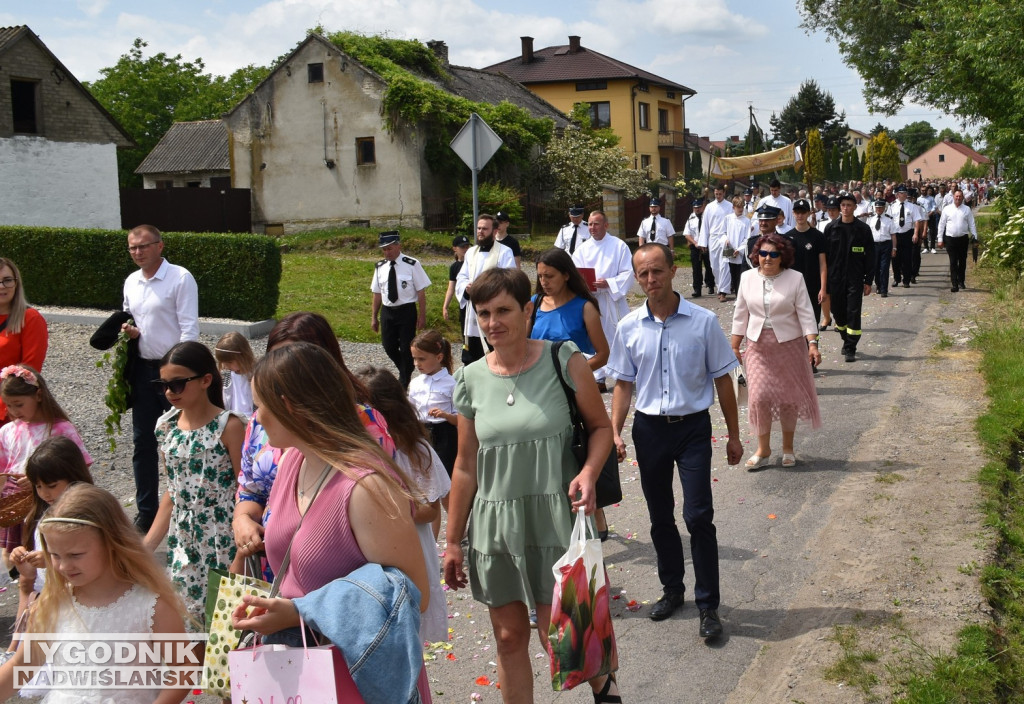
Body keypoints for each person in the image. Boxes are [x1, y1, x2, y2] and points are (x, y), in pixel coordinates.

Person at [443, 267, 618, 704]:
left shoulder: (564, 359)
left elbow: (599, 428)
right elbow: (465, 465)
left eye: (502, 310)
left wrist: (589, 473)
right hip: (495, 521)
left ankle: (605, 687)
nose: (491, 323)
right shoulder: (469, 378)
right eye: (483, 313)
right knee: (507, 637)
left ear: (527, 309)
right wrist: (451, 541)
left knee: (558, 634)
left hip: (553, 517)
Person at [229, 342, 433, 703]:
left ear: (289, 406)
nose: (256, 418)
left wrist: (299, 613)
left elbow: (414, 596)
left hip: (357, 678)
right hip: (304, 672)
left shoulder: (366, 487)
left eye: (261, 405)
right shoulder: (293, 461)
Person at [607, 243, 742, 637]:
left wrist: (734, 436)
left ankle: (708, 605)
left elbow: (722, 379)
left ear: (674, 270)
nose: (651, 280)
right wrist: (615, 430)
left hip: (692, 429)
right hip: (649, 431)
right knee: (660, 516)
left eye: (658, 272)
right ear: (637, 278)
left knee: (698, 516)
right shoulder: (628, 327)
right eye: (644, 274)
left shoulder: (702, 322)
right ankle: (672, 590)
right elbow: (623, 384)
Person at [232, 312, 395, 579]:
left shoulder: (363, 422)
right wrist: (242, 520)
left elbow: (380, 512)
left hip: (329, 576)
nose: (283, 378)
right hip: (269, 570)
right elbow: (249, 488)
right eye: (275, 362)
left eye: (295, 365)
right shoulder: (260, 420)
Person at [0, 483, 192, 704]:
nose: (63, 566)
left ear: (112, 543)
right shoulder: (52, 603)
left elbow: (183, 669)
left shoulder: (150, 606)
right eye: (55, 555)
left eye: (75, 554)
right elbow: (22, 665)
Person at [143, 341, 244, 622]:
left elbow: (245, 490)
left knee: (226, 626)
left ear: (205, 380)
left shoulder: (231, 426)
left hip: (223, 537)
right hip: (183, 540)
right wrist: (146, 547)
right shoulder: (165, 427)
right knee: (187, 625)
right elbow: (173, 493)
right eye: (162, 384)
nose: (168, 392)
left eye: (177, 384)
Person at [356, 365, 450, 645]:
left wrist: (385, 507)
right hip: (366, 549)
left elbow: (430, 509)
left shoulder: (415, 451)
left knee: (406, 629)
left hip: (408, 547)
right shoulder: (355, 452)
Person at [121, 224, 199, 533]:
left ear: (159, 246)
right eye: (132, 248)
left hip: (174, 373)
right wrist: (130, 332)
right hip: (143, 369)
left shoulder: (180, 278)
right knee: (143, 442)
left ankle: (187, 503)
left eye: (143, 246)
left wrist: (180, 371)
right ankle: (147, 511)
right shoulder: (131, 282)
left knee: (182, 438)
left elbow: (189, 328)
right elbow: (128, 318)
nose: (138, 252)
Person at [530, 247, 612, 538]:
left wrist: (572, 373)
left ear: (566, 275)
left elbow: (603, 354)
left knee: (578, 449)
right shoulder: (534, 304)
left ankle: (596, 511)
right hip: (538, 391)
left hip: (573, 390)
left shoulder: (584, 307)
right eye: (540, 276)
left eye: (549, 276)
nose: (543, 281)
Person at [731, 234, 822, 469]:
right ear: (756, 256)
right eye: (763, 254)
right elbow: (740, 313)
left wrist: (812, 343)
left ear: (783, 257)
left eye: (773, 254)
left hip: (789, 347)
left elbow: (805, 313)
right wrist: (734, 345)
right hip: (758, 347)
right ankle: (763, 449)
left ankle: (788, 448)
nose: (767, 258)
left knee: (787, 399)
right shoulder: (747, 278)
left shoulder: (795, 279)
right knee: (759, 397)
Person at [4, 436, 94, 662]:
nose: (44, 493)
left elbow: (102, 565)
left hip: (84, 614)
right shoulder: (40, 517)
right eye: (38, 486)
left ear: (74, 476)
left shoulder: (90, 515)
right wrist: (26, 568)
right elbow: (30, 590)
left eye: (51, 486)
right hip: (47, 610)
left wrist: (55, 561)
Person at [0, 365, 92, 570]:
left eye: (19, 404)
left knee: (48, 552)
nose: (14, 411)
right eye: (8, 406)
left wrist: (36, 482)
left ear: (39, 395)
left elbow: (79, 467)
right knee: (16, 557)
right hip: (16, 504)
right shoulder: (7, 431)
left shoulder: (60, 429)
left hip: (52, 501)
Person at [572, 210, 634, 390]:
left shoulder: (619, 246)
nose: (592, 228)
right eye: (590, 224)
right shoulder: (582, 249)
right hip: (592, 299)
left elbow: (628, 272)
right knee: (593, 336)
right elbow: (576, 273)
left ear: (606, 225)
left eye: (596, 224)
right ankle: (598, 377)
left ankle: (622, 373)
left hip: (611, 299)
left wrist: (609, 283)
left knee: (617, 336)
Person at [370, 230, 431, 388]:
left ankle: (404, 380)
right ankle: (406, 369)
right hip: (387, 311)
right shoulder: (380, 267)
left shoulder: (412, 264)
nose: (386, 252)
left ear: (398, 246)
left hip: (406, 310)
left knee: (406, 347)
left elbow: (421, 292)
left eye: (389, 249)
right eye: (384, 249)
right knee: (388, 345)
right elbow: (377, 293)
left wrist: (422, 316)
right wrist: (374, 317)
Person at [456, 214, 517, 365]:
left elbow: (509, 279)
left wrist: (486, 289)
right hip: (472, 310)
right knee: (471, 354)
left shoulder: (504, 252)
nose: (480, 232)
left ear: (495, 231)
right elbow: (462, 276)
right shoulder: (471, 252)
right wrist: (466, 287)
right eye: (478, 228)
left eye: (485, 229)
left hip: (492, 309)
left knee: (492, 351)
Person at [826, 193, 875, 363]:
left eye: (849, 205)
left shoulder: (863, 229)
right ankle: (845, 339)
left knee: (853, 312)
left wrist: (868, 280)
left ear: (855, 207)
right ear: (840, 208)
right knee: (838, 313)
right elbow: (824, 258)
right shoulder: (831, 228)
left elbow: (870, 256)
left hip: (855, 278)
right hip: (835, 279)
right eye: (843, 205)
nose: (846, 208)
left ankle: (850, 347)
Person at [0, 258, 47, 426]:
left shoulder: (30, 318)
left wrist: (9, 406)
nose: (1, 286)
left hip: (9, 410)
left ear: (16, 283)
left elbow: (29, 373)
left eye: (7, 280)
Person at [408, 330, 458, 477]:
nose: (417, 364)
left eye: (422, 359)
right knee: (422, 473)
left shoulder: (451, 383)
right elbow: (410, 410)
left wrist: (446, 415)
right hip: (420, 433)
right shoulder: (415, 383)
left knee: (444, 473)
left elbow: (461, 418)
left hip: (444, 435)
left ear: (439, 357)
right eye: (414, 359)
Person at [781, 198, 829, 333]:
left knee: (812, 325)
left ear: (808, 213)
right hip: (792, 289)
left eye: (803, 212)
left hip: (812, 288)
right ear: (793, 213)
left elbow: (823, 264)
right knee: (794, 327)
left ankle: (812, 352)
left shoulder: (818, 237)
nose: (800, 215)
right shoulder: (787, 238)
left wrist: (823, 288)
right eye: (797, 212)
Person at [937, 189, 978, 292]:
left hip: (963, 239)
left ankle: (961, 281)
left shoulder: (966, 209)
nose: (958, 198)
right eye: (956, 196)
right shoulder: (947, 209)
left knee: (962, 261)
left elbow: (971, 224)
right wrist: (940, 239)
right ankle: (954, 284)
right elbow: (941, 224)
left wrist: (975, 236)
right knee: (953, 261)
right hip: (950, 239)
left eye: (960, 196)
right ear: (953, 197)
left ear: (962, 197)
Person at [699, 186, 736, 301]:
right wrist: (703, 242)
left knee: (725, 264)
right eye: (716, 194)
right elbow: (705, 226)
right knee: (714, 266)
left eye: (720, 194)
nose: (718, 196)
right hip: (713, 238)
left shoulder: (730, 206)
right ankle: (720, 287)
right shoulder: (709, 207)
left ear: (724, 193)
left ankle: (723, 291)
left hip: (726, 238)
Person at [886, 185, 923, 288]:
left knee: (907, 258)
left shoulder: (912, 206)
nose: (905, 195)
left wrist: (916, 234)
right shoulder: (891, 206)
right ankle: (897, 279)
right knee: (895, 258)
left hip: (907, 233)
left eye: (905, 193)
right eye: (902, 193)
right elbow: (888, 220)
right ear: (897, 194)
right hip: (895, 234)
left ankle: (906, 280)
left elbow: (916, 221)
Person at [214, 331, 255, 417]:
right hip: (233, 417)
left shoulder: (256, 375)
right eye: (223, 362)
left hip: (251, 419)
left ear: (243, 357)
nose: (225, 366)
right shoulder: (227, 376)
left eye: (229, 362)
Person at [682, 198, 716, 297]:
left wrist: (705, 243)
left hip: (706, 245)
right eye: (695, 207)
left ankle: (710, 285)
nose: (697, 209)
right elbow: (687, 234)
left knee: (709, 266)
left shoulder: (707, 217)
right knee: (696, 268)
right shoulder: (690, 219)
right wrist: (695, 243)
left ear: (703, 207)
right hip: (695, 246)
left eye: (699, 207)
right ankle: (697, 289)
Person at [867, 198, 896, 298]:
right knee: (875, 268)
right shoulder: (870, 219)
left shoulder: (889, 219)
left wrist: (894, 248)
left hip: (886, 245)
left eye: (881, 207)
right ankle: (879, 285)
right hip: (874, 245)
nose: (879, 209)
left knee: (884, 268)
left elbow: (893, 235)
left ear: (884, 208)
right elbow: (868, 235)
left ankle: (884, 290)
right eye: (877, 207)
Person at [443, 235, 471, 328]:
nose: (465, 249)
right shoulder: (454, 267)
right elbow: (451, 288)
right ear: (455, 248)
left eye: (467, 247)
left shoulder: (474, 262)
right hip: (464, 302)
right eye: (462, 247)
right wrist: (445, 307)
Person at [724, 196, 752, 288]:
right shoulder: (728, 218)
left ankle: (739, 296)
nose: (740, 209)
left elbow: (747, 238)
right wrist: (726, 239)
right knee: (732, 275)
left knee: (740, 277)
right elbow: (723, 232)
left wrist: (739, 249)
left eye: (742, 207)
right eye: (738, 207)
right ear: (733, 207)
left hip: (740, 253)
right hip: (730, 251)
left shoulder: (747, 221)